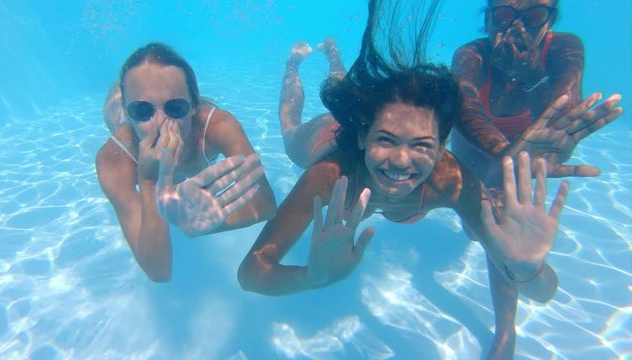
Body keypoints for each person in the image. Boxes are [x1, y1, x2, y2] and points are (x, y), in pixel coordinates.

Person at [238, 1, 568, 358]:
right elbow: (252, 272)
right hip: (326, 136)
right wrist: (312, 277)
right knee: (290, 132)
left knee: (347, 86)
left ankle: (334, 55)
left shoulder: (451, 180)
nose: (400, 160)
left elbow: (543, 292)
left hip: (390, 172)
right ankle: (294, 64)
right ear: (365, 137)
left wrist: (525, 268)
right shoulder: (329, 176)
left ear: (442, 146)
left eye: (422, 145)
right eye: (386, 139)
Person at [96, 42, 276, 282]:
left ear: (193, 106)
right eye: (141, 111)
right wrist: (149, 181)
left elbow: (265, 204)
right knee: (115, 110)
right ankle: (126, 99)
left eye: (176, 107)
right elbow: (158, 271)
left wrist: (200, 224)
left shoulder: (217, 127)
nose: (160, 123)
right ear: (130, 115)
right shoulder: (114, 159)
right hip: (120, 117)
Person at [451, 0, 623, 185]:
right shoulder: (471, 55)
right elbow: (462, 104)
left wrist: (532, 75)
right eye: (504, 16)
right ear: (487, 20)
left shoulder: (564, 49)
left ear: (550, 20)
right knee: (471, 197)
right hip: (475, 148)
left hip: (529, 150)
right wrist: (505, 154)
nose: (517, 27)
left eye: (535, 16)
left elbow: (562, 120)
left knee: (503, 210)